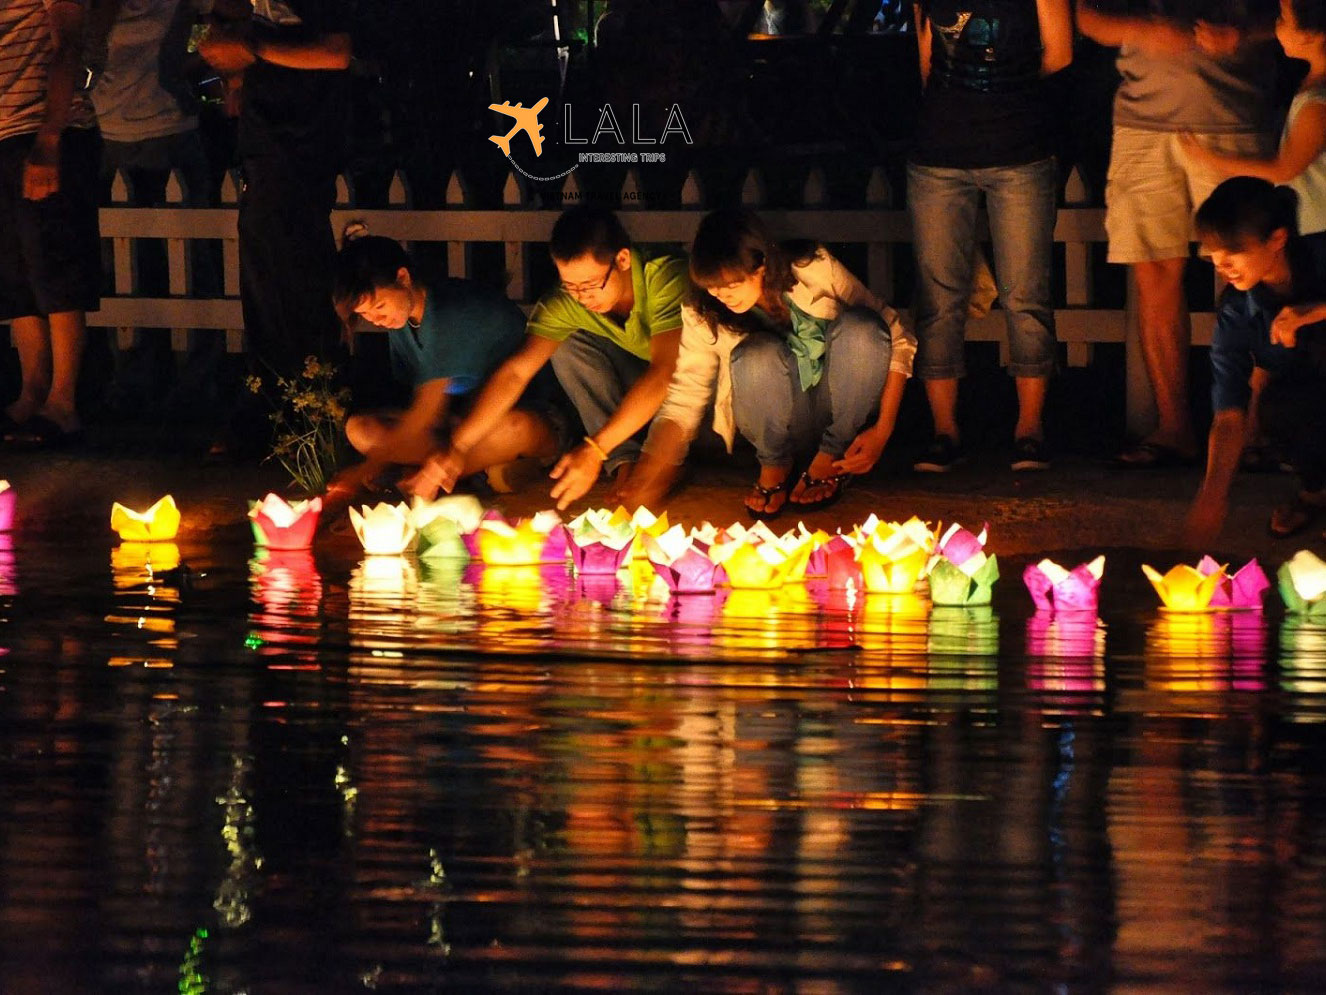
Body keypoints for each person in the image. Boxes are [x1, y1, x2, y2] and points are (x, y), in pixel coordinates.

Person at [1078, 0, 1279, 468]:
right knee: (1154, 275)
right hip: (1142, 123)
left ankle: (1253, 431)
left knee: (1251, 277)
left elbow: (1298, 16)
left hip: (1233, 115)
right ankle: (1174, 427)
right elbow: (1083, 14)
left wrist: (1243, 35)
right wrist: (1140, 28)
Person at [617, 208, 916, 517]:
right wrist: (650, 471)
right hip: (776, 417)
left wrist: (883, 429)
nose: (722, 296)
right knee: (756, 354)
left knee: (864, 328)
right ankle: (774, 466)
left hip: (839, 406)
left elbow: (896, 332)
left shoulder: (812, 268)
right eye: (712, 286)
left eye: (731, 285)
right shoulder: (702, 309)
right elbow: (687, 392)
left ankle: (831, 456)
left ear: (760, 266)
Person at [407, 205, 688, 511]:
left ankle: (663, 461)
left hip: (704, 391)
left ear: (622, 260)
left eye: (591, 285)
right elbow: (516, 372)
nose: (582, 297)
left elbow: (666, 372)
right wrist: (457, 448)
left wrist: (594, 450)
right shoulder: (567, 302)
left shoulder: (662, 276)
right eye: (571, 286)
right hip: (645, 387)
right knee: (567, 343)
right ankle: (625, 462)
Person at [907, 0, 1073, 474]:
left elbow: (1059, 55)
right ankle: (944, 431)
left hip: (1020, 150)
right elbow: (925, 62)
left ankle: (1030, 428)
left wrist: (1006, 93)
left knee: (1026, 293)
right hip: (938, 151)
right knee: (939, 297)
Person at [198, 0, 352, 455]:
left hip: (296, 144)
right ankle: (281, 408)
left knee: (291, 278)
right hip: (270, 139)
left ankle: (297, 413)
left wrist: (250, 45)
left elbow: (335, 50)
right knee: (267, 278)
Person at [323, 227, 566, 503]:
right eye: (364, 314)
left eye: (379, 306)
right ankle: (475, 471)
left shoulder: (450, 312)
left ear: (402, 278)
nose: (376, 319)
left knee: (515, 427)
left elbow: (425, 411)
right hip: (457, 424)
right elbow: (426, 412)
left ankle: (439, 471)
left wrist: (364, 469)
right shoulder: (402, 324)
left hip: (529, 417)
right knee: (360, 429)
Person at [1182, 177, 1326, 546]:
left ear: (1277, 239)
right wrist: (1212, 496)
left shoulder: (1320, 254)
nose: (1221, 265)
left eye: (1233, 251)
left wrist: (1313, 312)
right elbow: (1230, 412)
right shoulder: (1238, 311)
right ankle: (1316, 492)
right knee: (1280, 407)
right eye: (1213, 253)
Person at [0, 0, 101, 449]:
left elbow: (69, 46)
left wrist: (50, 135)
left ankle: (63, 401)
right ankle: (31, 391)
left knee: (54, 266)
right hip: (3, 132)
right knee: (16, 272)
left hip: (40, 128)